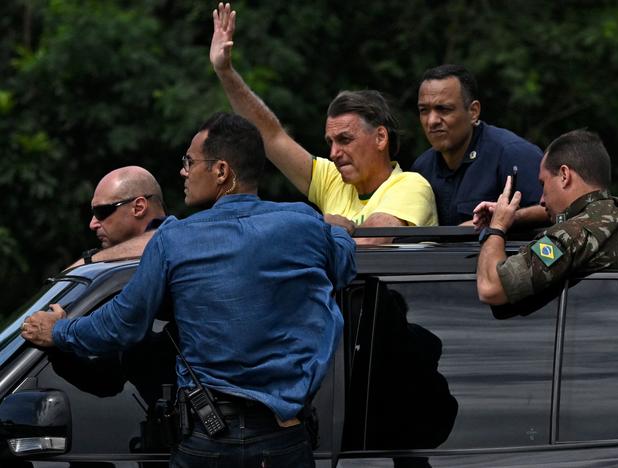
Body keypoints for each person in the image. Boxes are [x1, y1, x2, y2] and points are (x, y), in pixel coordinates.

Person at [22, 112, 357, 467]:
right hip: (285, 440)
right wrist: (335, 226)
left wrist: (58, 330)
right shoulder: (304, 224)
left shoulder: (175, 238)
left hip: (209, 441)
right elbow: (344, 265)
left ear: (221, 171)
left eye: (190, 162)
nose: (183, 171)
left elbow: (121, 325)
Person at [209, 3, 437, 244]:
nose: (334, 153)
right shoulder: (332, 180)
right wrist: (225, 71)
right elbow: (272, 136)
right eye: (330, 142)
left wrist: (319, 227)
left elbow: (370, 243)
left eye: (345, 140)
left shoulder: (411, 185)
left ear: (380, 137)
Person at [476, 129, 618, 305]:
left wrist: (497, 226)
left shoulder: (571, 235)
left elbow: (492, 289)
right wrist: (516, 217)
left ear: (564, 176)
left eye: (543, 184)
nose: (542, 200)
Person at [412, 64, 548, 227]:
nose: (432, 121)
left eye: (444, 109)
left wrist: (504, 218)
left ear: (473, 111)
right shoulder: (422, 167)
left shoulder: (511, 153)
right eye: (424, 110)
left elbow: (558, 211)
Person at [79, 166, 166, 264]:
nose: (92, 224)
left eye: (101, 211)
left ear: (139, 208)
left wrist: (88, 262)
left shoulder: (179, 245)